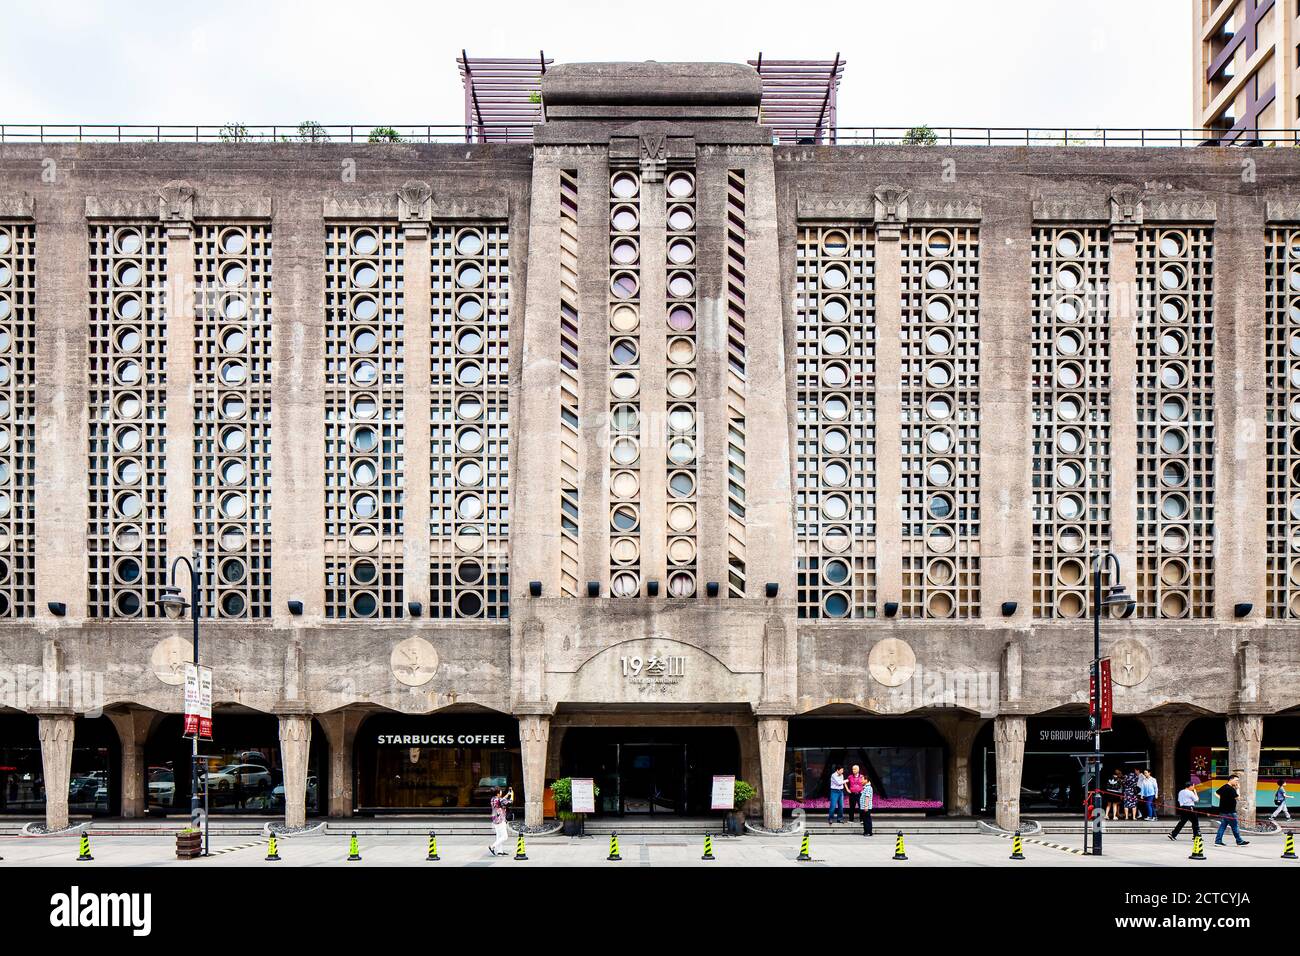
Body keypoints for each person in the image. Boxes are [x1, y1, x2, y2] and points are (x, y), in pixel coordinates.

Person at [1214, 774, 1250, 846]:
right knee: (1235, 826)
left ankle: (1218, 841)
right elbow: (1238, 798)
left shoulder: (1224, 786)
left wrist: (1222, 799)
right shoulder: (1231, 789)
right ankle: (1239, 841)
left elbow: (1215, 793)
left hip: (1223, 811)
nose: (1237, 782)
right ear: (1231, 779)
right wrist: (1238, 788)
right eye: (1236, 780)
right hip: (1230, 811)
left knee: (1223, 826)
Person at [488, 786, 512, 856]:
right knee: (504, 836)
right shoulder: (500, 800)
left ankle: (500, 851)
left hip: (495, 818)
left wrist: (507, 794)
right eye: (500, 791)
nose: (501, 792)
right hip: (500, 819)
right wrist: (511, 795)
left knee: (499, 836)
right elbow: (509, 802)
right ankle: (492, 847)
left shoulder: (493, 799)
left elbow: (501, 800)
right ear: (498, 793)